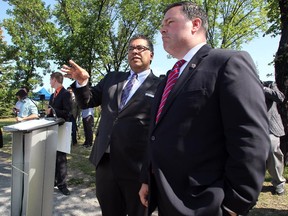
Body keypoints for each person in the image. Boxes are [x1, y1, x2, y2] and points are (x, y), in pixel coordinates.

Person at [138, 2, 270, 216]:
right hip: (166, 197)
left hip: (205, 203)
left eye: (169, 22)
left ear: (195, 24)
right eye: (161, 24)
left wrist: (234, 205)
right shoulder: (169, 78)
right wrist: (147, 178)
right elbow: (156, 134)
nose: (162, 29)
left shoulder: (228, 62)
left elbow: (250, 138)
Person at [61, 34, 161, 216]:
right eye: (131, 48)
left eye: (141, 48)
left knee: (138, 211)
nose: (135, 52)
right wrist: (82, 82)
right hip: (106, 162)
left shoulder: (160, 85)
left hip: (137, 166)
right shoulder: (112, 78)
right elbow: (88, 102)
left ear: (152, 55)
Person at [46, 72, 72, 196]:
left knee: (61, 157)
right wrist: (48, 113)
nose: (49, 82)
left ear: (55, 80)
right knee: (53, 156)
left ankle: (62, 184)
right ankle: (55, 180)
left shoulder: (66, 94)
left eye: (50, 80)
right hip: (53, 128)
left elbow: (67, 113)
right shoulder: (52, 95)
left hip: (63, 129)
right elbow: (53, 113)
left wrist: (53, 110)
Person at [262, 81, 286, 195]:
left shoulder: (270, 84)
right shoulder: (245, 85)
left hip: (271, 127)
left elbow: (280, 97)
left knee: (272, 151)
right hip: (254, 127)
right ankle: (254, 184)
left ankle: (279, 183)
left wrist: (263, 89)